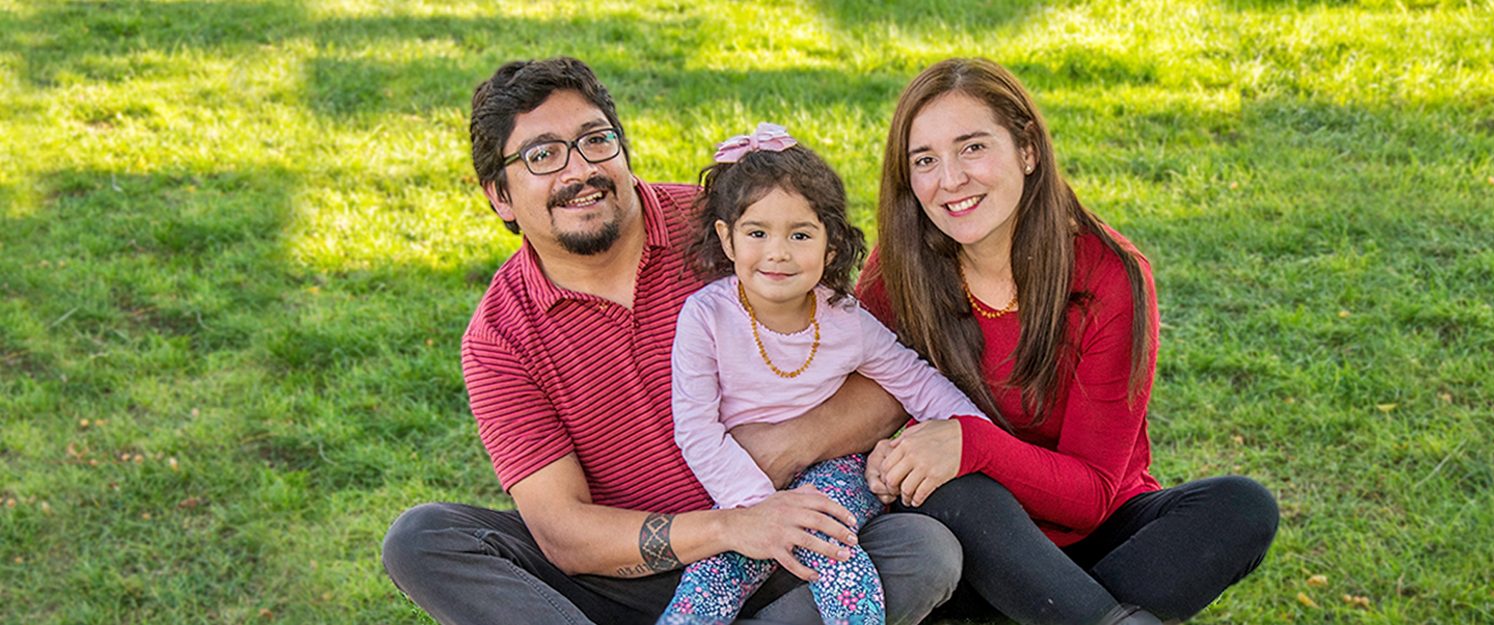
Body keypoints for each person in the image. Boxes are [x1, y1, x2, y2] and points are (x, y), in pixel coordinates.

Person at [379, 57, 962, 625]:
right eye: (542, 155)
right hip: (623, 575)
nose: (579, 170)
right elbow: (563, 532)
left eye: (595, 140)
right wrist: (728, 527)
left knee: (922, 551)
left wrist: (785, 454)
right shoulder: (501, 336)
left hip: (792, 535)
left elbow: (884, 372)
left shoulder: (737, 229)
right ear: (500, 195)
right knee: (423, 540)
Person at [856, 57, 1279, 625]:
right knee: (953, 488)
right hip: (971, 542)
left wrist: (970, 442)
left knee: (1241, 507)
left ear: (1027, 149)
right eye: (925, 160)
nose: (949, 179)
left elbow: (1093, 494)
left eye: (973, 147)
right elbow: (857, 407)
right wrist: (901, 457)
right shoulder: (897, 272)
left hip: (1098, 536)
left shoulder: (1108, 276)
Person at [661, 125, 988, 625]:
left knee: (838, 559)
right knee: (708, 586)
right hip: (742, 486)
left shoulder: (844, 319)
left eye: (799, 234)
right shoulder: (706, 317)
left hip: (836, 474)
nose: (777, 252)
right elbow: (697, 429)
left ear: (831, 246)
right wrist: (759, 510)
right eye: (757, 233)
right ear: (727, 238)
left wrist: (975, 436)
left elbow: (914, 381)